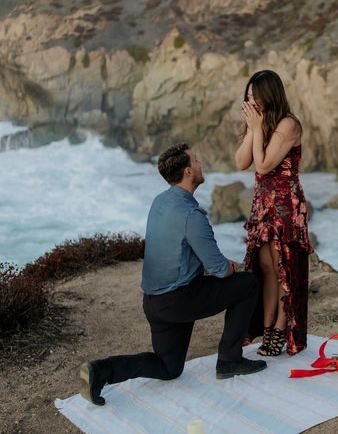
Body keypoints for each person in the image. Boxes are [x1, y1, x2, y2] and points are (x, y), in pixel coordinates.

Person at [80, 142, 266, 406]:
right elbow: (219, 269)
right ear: (188, 172)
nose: (201, 164)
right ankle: (230, 360)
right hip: (179, 300)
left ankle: (101, 371)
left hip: (154, 303)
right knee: (247, 284)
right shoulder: (191, 214)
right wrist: (233, 266)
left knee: (169, 368)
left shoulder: (160, 201)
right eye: (197, 161)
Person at [235, 70, 314, 357]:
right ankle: (267, 326)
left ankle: (281, 329)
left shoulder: (288, 125)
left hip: (284, 207)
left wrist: (257, 130)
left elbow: (264, 166)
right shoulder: (262, 124)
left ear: (269, 95)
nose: (251, 101)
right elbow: (241, 160)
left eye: (255, 96)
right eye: (248, 96)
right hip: (262, 206)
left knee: (283, 271)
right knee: (266, 270)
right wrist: (253, 128)